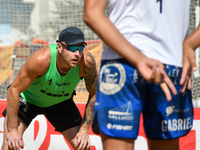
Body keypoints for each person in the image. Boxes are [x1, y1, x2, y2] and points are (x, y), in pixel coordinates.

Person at [84, 0, 196, 150]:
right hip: (168, 62)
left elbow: (92, 13)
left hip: (122, 63)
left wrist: (139, 58)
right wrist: (190, 44)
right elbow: (91, 14)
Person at [1, 27, 98, 150]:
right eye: (72, 48)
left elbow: (94, 93)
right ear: (60, 47)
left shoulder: (86, 62)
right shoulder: (41, 60)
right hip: (28, 100)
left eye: (80, 48)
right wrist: (13, 130)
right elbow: (13, 90)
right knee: (10, 144)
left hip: (61, 103)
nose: (77, 54)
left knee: (83, 146)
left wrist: (84, 130)